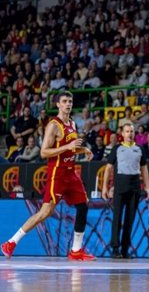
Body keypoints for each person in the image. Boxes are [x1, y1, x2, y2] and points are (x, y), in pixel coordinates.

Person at [2, 91, 96, 261]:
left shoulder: (73, 124)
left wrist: (83, 150)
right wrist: (69, 146)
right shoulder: (53, 125)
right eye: (65, 101)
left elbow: (71, 148)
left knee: (83, 204)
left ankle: (76, 250)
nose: (68, 104)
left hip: (71, 173)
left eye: (70, 101)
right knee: (45, 212)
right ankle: (11, 242)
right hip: (57, 174)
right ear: (58, 104)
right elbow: (45, 152)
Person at [102, 123, 149, 258]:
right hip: (120, 187)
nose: (130, 134)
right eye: (127, 131)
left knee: (130, 219)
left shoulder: (139, 149)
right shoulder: (117, 149)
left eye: (132, 131)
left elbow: (144, 169)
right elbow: (108, 168)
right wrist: (104, 187)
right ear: (122, 134)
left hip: (135, 188)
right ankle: (115, 249)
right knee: (117, 218)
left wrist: (147, 187)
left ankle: (125, 250)